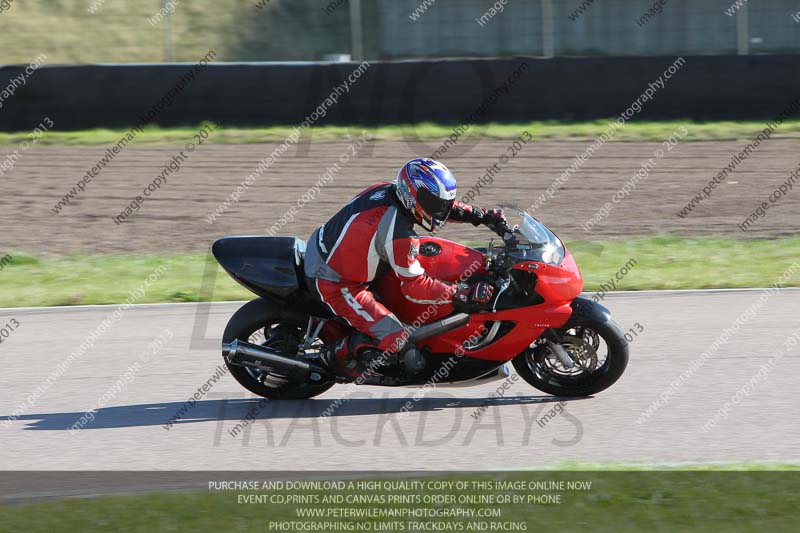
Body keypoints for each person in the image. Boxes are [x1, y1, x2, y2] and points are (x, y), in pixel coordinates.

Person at [303, 157, 506, 375]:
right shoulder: (399, 234)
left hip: (331, 250)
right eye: (434, 203)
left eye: (442, 202)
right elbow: (415, 286)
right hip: (335, 281)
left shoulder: (388, 189)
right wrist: (461, 294)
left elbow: (443, 208)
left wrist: (483, 216)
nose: (440, 210)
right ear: (413, 195)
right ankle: (333, 359)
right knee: (396, 339)